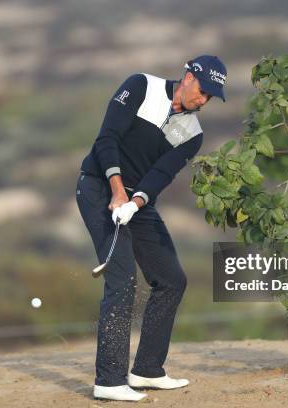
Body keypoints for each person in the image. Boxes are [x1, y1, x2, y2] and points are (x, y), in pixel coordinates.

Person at [75, 55, 227, 402]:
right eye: (202, 91)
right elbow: (106, 139)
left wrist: (135, 202)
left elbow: (161, 174)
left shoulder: (194, 134)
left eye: (210, 98)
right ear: (188, 77)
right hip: (98, 187)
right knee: (122, 277)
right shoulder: (141, 86)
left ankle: (147, 370)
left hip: (136, 202)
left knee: (171, 279)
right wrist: (116, 192)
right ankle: (109, 380)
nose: (203, 101)